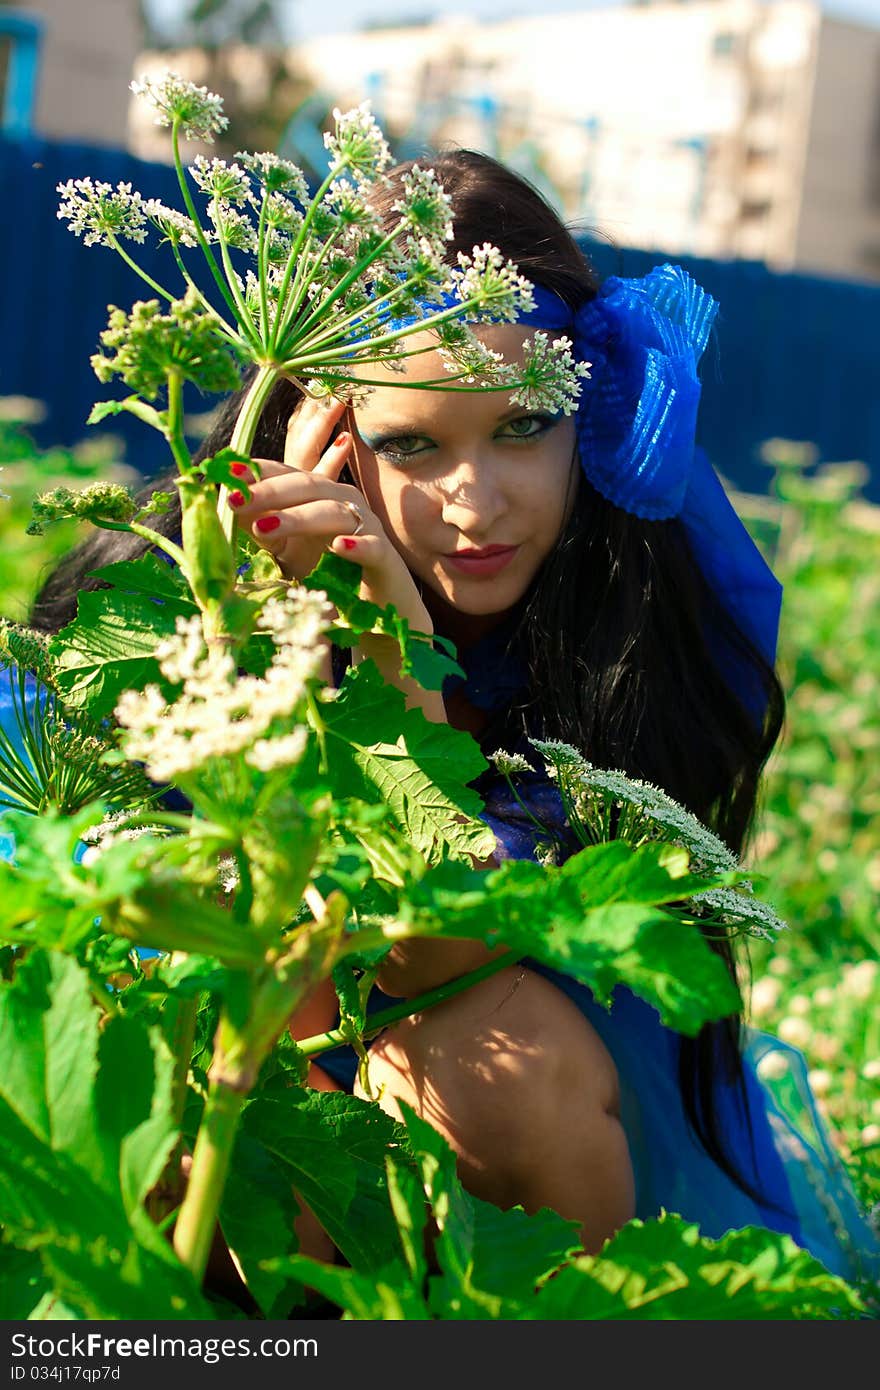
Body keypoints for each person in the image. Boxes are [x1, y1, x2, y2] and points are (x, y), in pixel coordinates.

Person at [29, 151, 878, 1284]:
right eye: (411, 445)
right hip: (243, 1079)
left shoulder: (638, 625)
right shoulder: (168, 572)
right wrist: (255, 622)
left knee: (502, 1054)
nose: (477, 503)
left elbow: (441, 959)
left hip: (482, 1096)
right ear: (320, 428)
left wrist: (393, 649)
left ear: (590, 413)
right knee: (203, 1013)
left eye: (522, 427)